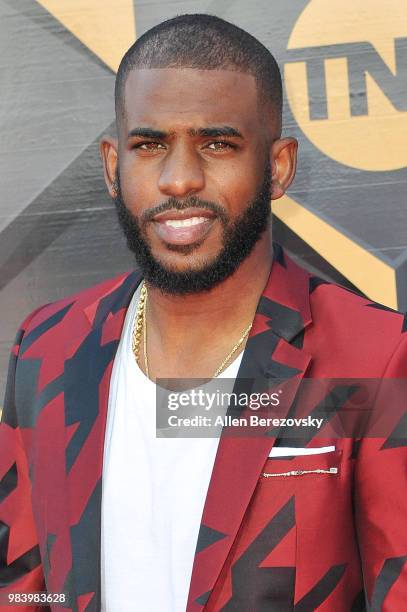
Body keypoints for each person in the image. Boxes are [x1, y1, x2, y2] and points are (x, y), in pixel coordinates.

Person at [0, 13, 406, 612]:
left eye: (218, 144)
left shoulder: (375, 355)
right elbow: (27, 590)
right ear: (114, 166)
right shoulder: (48, 347)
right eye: (150, 145)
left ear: (279, 167)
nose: (179, 178)